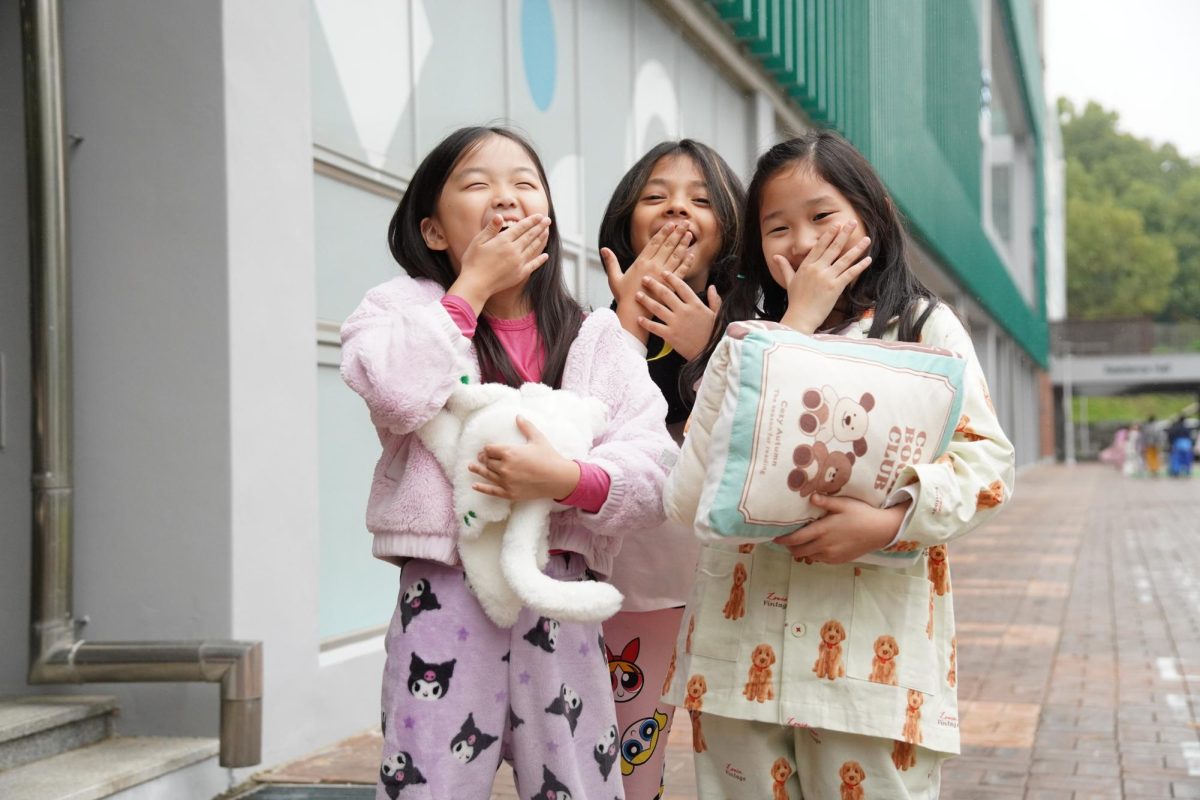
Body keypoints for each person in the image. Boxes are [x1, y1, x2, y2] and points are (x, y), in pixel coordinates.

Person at [661, 131, 1016, 799]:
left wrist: (888, 523)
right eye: (777, 226)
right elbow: (690, 493)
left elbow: (988, 464)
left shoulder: (921, 329)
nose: (800, 240)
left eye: (822, 216)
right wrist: (795, 322)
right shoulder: (746, 343)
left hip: (870, 671)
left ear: (872, 214)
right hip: (738, 667)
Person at [340, 126, 676, 800]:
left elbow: (655, 468)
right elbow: (390, 386)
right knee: (428, 781)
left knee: (579, 783)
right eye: (477, 183)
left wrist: (568, 481)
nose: (505, 198)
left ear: (546, 217)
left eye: (525, 184)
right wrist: (467, 293)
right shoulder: (400, 311)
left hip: (560, 592)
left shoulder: (593, 336)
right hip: (443, 589)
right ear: (433, 230)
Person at [597, 139, 745, 798]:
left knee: (744, 765)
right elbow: (584, 426)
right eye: (656, 197)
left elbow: (771, 433)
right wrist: (628, 322)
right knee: (632, 767)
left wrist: (708, 347)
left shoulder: (761, 325)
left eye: (701, 200)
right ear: (627, 220)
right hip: (639, 585)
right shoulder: (597, 330)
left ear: (730, 227)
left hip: (738, 588)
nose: (677, 211)